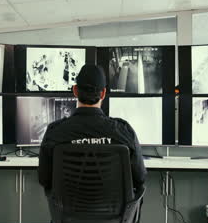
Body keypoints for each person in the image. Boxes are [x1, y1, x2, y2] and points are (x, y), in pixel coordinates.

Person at [38, 64, 147, 194]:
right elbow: (140, 178)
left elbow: (44, 179)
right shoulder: (124, 131)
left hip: (67, 212)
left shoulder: (54, 131)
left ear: (75, 91)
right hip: (114, 212)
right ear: (103, 93)